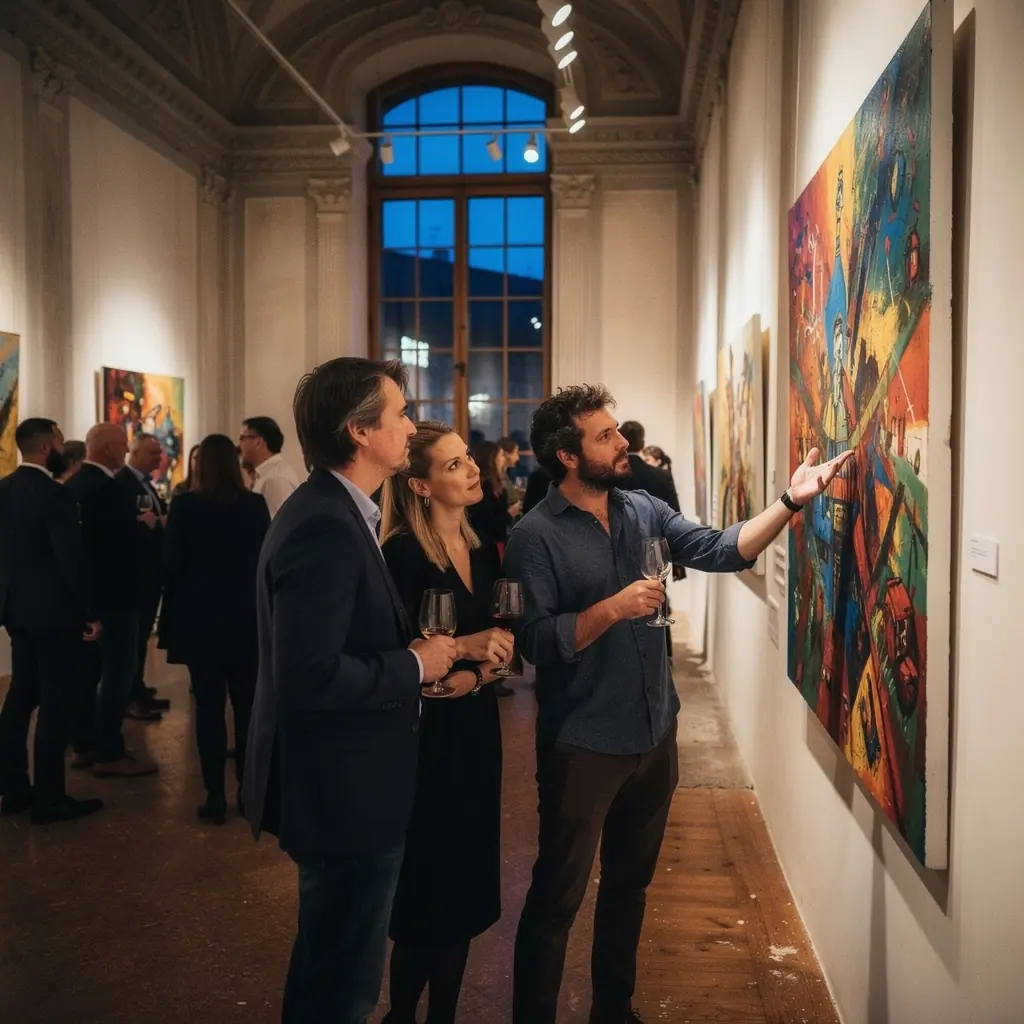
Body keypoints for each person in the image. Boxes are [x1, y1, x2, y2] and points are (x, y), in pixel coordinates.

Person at [504, 385, 852, 1024]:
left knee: (629, 888)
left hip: (654, 733)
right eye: (605, 436)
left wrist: (790, 501)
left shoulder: (641, 507)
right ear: (568, 456)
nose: (623, 443)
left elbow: (722, 548)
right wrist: (613, 608)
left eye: (618, 430)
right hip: (583, 745)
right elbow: (533, 643)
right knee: (556, 900)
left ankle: (613, 1011)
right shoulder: (534, 536)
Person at [243, 358, 457, 1024]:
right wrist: (414, 665)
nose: (411, 426)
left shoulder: (338, 511)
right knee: (340, 983)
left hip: (349, 785)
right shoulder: (324, 524)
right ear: (360, 432)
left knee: (335, 965)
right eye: (400, 414)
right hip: (342, 794)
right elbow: (308, 675)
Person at [378, 422, 514, 1024]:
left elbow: (496, 647)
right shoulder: (401, 554)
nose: (472, 470)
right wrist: (463, 652)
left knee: (462, 889)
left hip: (475, 732)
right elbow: (390, 654)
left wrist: (481, 671)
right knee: (427, 892)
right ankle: (401, 1015)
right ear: (421, 485)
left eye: (468, 459)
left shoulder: (480, 546)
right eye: (455, 464)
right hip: (422, 741)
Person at [0, 419, 103, 824]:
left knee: (20, 697)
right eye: (59, 440)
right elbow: (69, 561)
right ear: (45, 447)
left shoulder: (4, 489)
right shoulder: (55, 495)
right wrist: (88, 613)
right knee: (55, 703)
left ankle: (13, 788)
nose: (63, 446)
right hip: (56, 614)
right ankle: (49, 798)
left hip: (17, 612)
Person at [164, 434, 270, 824]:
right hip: (245, 619)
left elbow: (171, 562)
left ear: (200, 465)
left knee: (208, 710)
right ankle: (247, 791)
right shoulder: (254, 505)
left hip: (200, 620)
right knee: (247, 709)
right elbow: (266, 560)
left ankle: (213, 796)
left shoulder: (184, 505)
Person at [67, 423, 158, 778]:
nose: (125, 450)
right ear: (107, 448)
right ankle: (109, 751)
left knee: (87, 675)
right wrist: (141, 527)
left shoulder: (74, 484)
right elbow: (117, 546)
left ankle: (84, 744)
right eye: (122, 444)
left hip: (86, 599)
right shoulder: (109, 488)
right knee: (118, 674)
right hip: (117, 597)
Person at [117, 433, 170, 721]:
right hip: (136, 575)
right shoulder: (123, 483)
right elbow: (122, 526)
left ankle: (137, 689)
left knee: (141, 638)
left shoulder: (146, 484)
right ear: (134, 453)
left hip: (150, 574)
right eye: (152, 452)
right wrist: (152, 523)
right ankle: (129, 696)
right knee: (134, 641)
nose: (158, 458)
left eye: (159, 452)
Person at [237, 415, 302, 517]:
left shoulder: (276, 479)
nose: (238, 445)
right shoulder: (264, 475)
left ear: (258, 442)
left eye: (242, 438)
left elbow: (275, 523)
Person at [618, 422, 680, 512]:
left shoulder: (609, 474)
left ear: (620, 442)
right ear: (642, 444)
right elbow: (674, 513)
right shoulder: (663, 476)